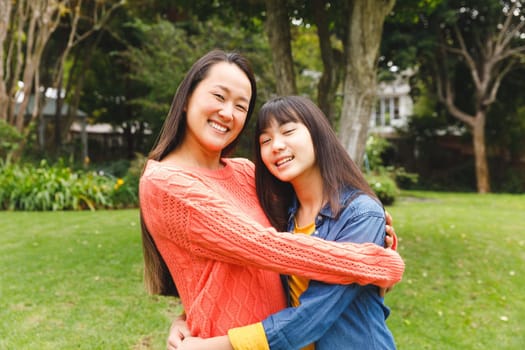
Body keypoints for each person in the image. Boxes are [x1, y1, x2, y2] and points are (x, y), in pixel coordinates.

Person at [139, 50, 404, 343]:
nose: (228, 113)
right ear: (187, 97)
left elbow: (262, 254)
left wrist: (375, 245)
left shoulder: (244, 172)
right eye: (218, 96)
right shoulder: (165, 182)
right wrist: (374, 263)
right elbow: (263, 246)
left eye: (241, 106)